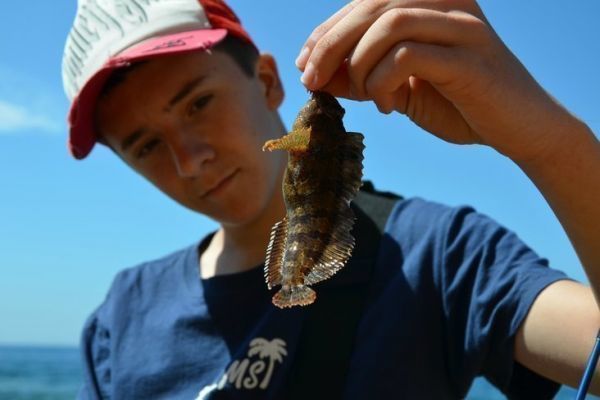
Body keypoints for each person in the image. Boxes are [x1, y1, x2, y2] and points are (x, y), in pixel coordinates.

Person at [62, 0, 600, 398]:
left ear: (269, 82)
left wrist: (548, 142)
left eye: (199, 103)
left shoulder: (439, 254)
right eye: (146, 145)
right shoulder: (118, 320)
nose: (189, 158)